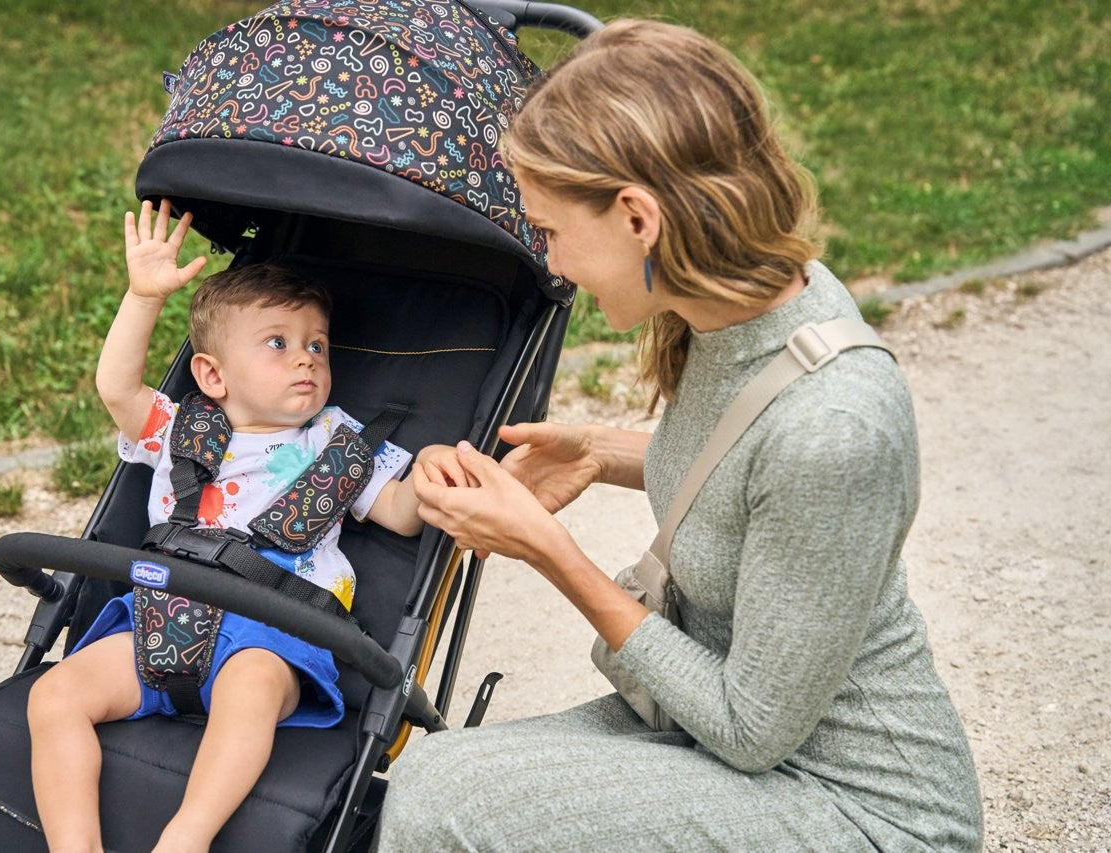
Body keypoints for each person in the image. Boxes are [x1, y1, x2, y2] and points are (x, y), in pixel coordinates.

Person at [381, 19, 983, 851]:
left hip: (860, 808)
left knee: (442, 803)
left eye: (551, 233)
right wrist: (601, 451)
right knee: (429, 778)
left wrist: (548, 550)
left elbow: (749, 727)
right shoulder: (743, 310)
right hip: (733, 744)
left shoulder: (838, 426)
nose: (552, 266)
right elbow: (757, 476)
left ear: (638, 217)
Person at [27, 199, 462, 852]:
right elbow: (117, 388)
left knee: (250, 689)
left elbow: (400, 514)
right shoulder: (179, 428)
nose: (306, 359)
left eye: (317, 344)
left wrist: (433, 470)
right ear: (212, 374)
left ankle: (186, 838)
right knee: (55, 696)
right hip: (162, 617)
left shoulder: (335, 441)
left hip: (272, 631)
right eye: (278, 343)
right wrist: (144, 296)